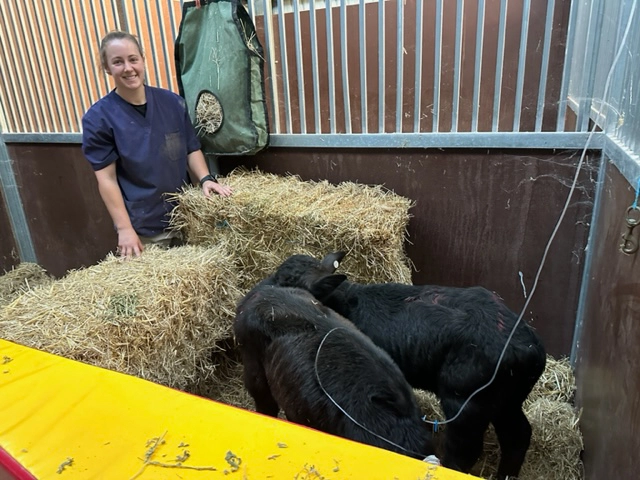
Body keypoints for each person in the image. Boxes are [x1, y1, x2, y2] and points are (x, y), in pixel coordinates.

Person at [82, 31, 232, 257]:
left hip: (185, 217)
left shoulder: (171, 103)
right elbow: (107, 179)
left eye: (133, 59)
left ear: (142, 59)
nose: (128, 68)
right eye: (117, 62)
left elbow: (191, 148)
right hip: (144, 227)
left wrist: (205, 179)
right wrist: (124, 229)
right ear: (106, 67)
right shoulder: (99, 118)